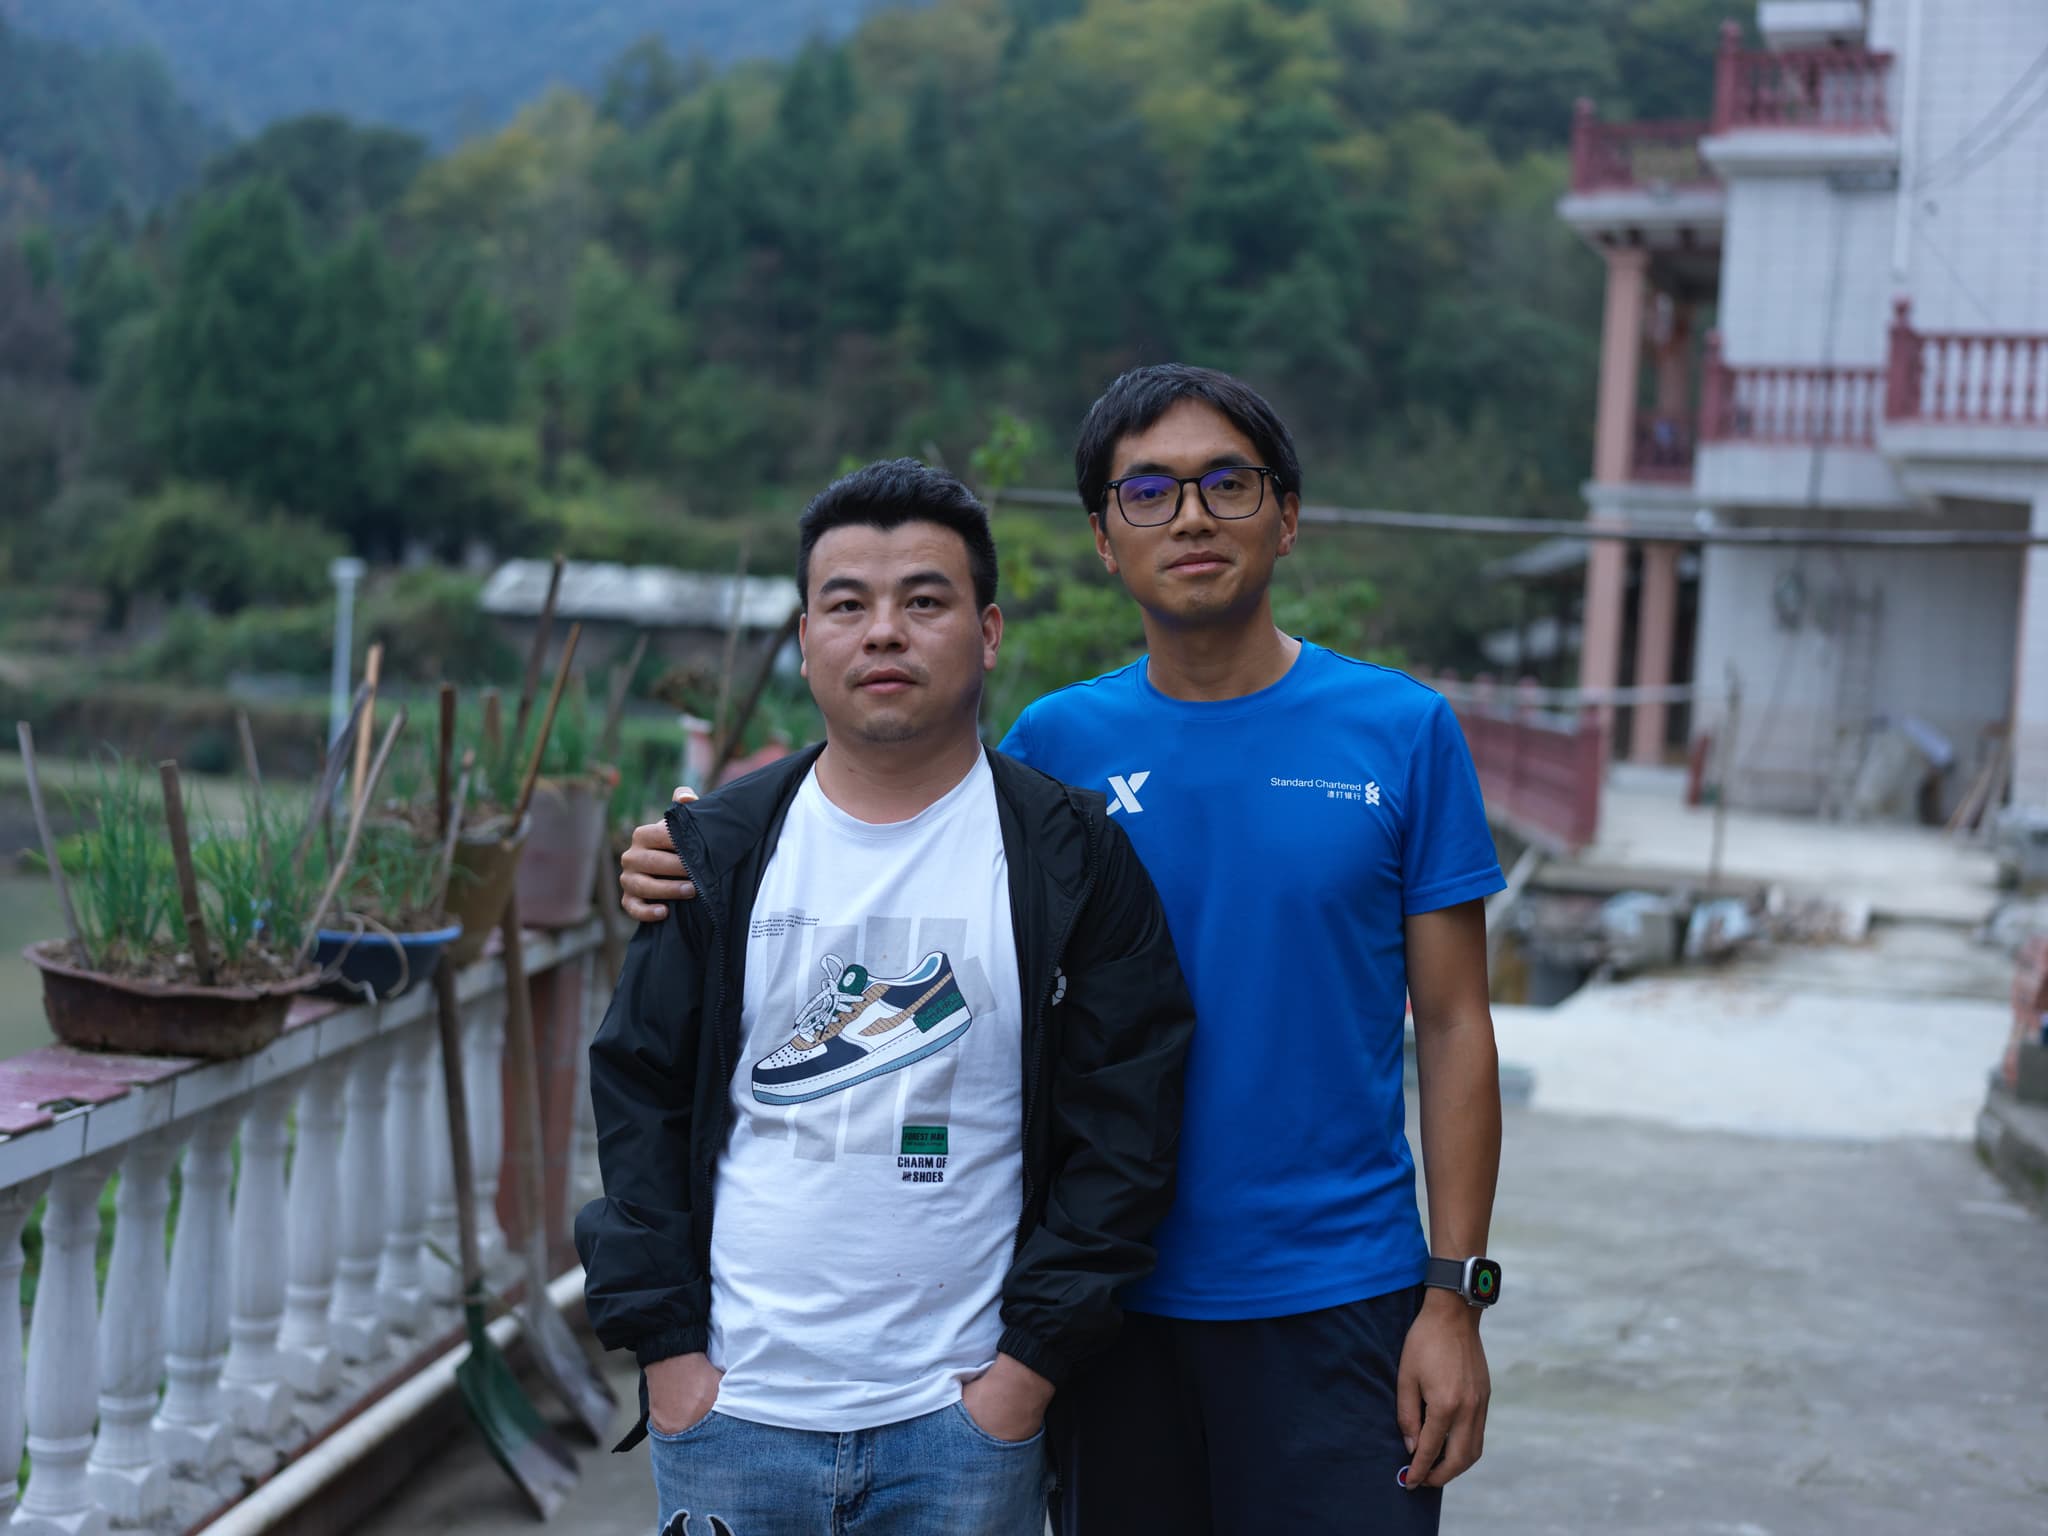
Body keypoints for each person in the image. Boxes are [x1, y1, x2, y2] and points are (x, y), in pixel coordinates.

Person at [619, 365, 1508, 1533]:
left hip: (1337, 1297)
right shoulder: (1058, 748)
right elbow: (882, 847)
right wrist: (687, 860)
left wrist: (1452, 1299)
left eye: (1225, 483)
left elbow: (1451, 1028)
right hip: (1102, 1311)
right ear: (1101, 538)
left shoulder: (1399, 733)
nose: (1189, 516)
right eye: (1146, 491)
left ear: (1284, 514)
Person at [575, 457, 1197, 1536]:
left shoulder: (1070, 857)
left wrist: (1021, 1380)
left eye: (923, 601)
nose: (883, 633)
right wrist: (672, 1361)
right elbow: (639, 1100)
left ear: (987, 631)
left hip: (958, 1425)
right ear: (805, 637)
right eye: (847, 605)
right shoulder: (716, 852)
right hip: (732, 1417)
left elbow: (1127, 1130)